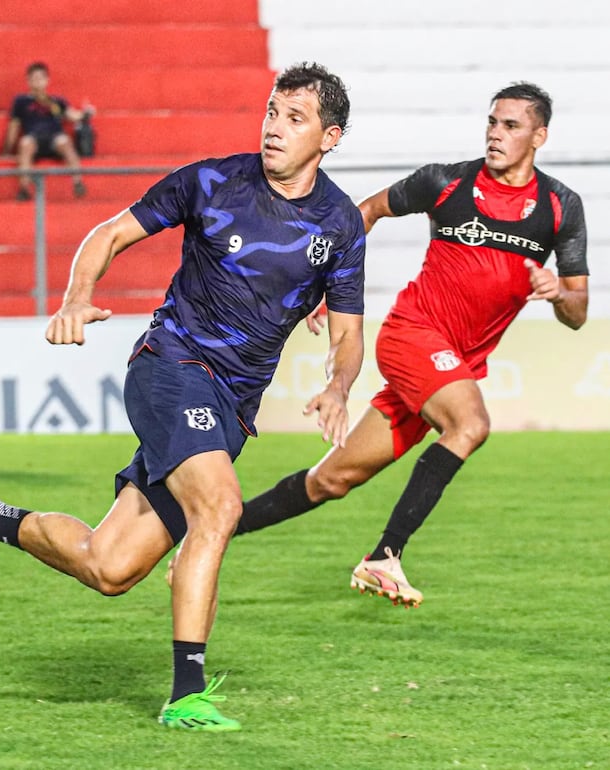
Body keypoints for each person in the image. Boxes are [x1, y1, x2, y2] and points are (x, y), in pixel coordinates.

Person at [0, 62, 366, 730]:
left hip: (232, 408)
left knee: (110, 568)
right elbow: (110, 234)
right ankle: (187, 691)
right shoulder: (212, 180)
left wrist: (339, 383)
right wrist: (76, 297)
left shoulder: (338, 224)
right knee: (219, 506)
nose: (274, 127)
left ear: (329, 137)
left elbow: (349, 330)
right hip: (170, 366)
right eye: (272, 110)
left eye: (294, 118)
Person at [229, 82, 589, 608]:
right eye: (492, 121)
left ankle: (213, 533)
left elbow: (578, 313)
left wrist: (558, 292)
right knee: (470, 425)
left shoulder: (560, 207)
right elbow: (363, 212)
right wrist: (325, 283)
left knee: (332, 478)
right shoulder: (445, 182)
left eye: (511, 126)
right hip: (413, 335)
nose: (495, 133)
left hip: (450, 366)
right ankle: (384, 556)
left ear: (540, 136)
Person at [4, 61, 90, 201]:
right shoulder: (21, 101)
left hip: (54, 138)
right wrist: (7, 150)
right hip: (33, 138)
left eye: (41, 78)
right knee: (25, 143)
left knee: (65, 141)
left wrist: (86, 114)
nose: (38, 81)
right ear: (28, 81)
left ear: (47, 80)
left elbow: (72, 115)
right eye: (34, 78)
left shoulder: (56, 101)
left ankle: (78, 182)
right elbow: (14, 125)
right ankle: (24, 188)